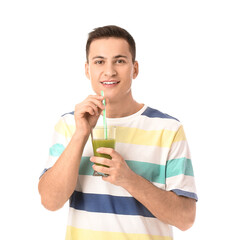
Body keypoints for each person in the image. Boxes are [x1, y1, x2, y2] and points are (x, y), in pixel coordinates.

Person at [38, 25, 197, 240]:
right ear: (87, 70)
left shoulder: (168, 129)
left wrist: (129, 179)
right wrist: (81, 134)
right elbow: (50, 201)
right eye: (99, 61)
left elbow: (186, 219)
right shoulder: (69, 124)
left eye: (120, 61)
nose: (109, 71)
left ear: (135, 68)